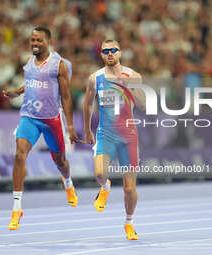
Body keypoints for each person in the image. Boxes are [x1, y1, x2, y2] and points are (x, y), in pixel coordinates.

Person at [3, 27, 79, 230]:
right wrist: (16, 93)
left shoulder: (58, 65)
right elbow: (30, 83)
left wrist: (70, 126)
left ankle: (68, 183)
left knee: (61, 162)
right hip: (29, 117)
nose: (34, 43)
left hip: (51, 121)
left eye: (39, 40)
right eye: (32, 40)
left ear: (48, 42)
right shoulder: (29, 62)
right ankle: (16, 208)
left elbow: (66, 97)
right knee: (20, 155)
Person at [83, 39, 144, 240]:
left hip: (128, 136)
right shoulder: (95, 78)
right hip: (105, 134)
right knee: (100, 173)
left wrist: (132, 88)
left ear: (120, 52)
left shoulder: (133, 75)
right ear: (101, 55)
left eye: (113, 50)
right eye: (105, 51)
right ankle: (105, 186)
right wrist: (87, 129)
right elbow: (88, 104)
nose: (109, 53)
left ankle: (129, 222)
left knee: (129, 188)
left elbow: (144, 104)